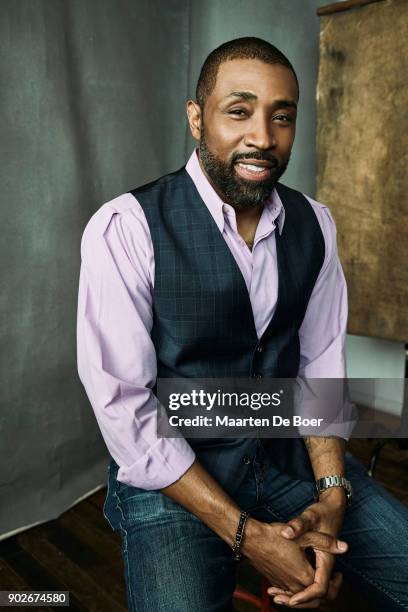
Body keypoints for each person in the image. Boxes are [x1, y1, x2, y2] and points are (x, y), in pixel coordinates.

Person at [77, 37, 408, 611]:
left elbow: (320, 365)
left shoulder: (316, 224)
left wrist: (331, 492)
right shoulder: (125, 227)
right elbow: (126, 408)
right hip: (172, 477)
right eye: (239, 111)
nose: (263, 137)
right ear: (197, 118)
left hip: (286, 460)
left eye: (282, 117)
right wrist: (248, 536)